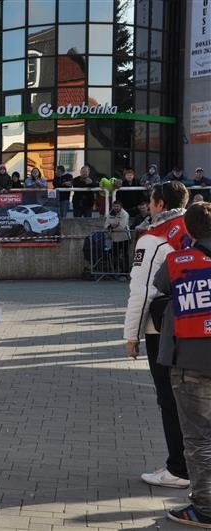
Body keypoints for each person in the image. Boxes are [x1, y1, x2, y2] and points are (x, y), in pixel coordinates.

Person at [123, 181, 192, 489]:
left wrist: (131, 336)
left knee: (169, 398)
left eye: (151, 201)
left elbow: (142, 291)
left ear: (161, 204)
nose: (148, 206)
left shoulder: (153, 239)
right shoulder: (196, 230)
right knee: (197, 399)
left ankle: (178, 468)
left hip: (164, 331)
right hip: (199, 325)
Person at [153, 201, 211, 528]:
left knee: (199, 438)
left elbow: (160, 284)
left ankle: (205, 508)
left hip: (190, 362)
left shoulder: (179, 260)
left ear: (188, 228)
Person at [106, 200, 131, 275]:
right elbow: (106, 225)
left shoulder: (125, 214)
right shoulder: (110, 214)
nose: (116, 208)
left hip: (124, 238)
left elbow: (122, 227)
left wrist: (111, 228)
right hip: (114, 239)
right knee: (115, 255)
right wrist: (112, 226)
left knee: (125, 255)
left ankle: (125, 272)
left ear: (121, 207)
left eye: (117, 206)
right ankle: (117, 271)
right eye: (114, 206)